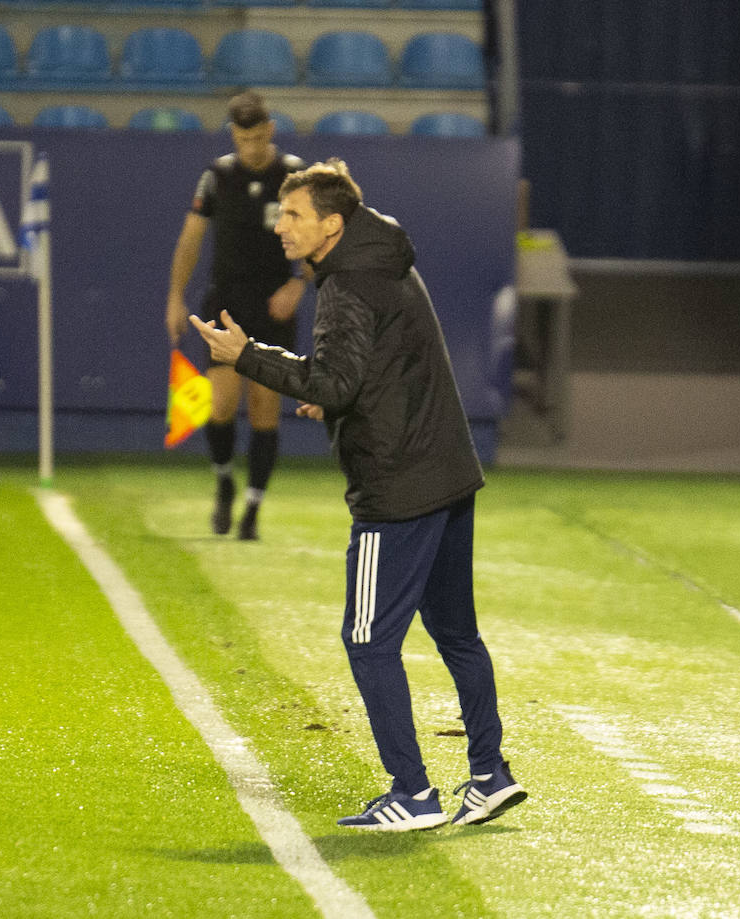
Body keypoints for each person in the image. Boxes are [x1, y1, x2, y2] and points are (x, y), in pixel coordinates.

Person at [190, 159, 526, 831]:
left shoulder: (345, 284)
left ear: (330, 225)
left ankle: (414, 792)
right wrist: (336, 396)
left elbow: (335, 384)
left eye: (293, 216)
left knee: (368, 639)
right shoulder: (384, 258)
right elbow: (375, 370)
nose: (279, 226)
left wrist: (245, 355)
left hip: (397, 484)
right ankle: (489, 774)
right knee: (457, 633)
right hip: (448, 471)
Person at [165, 91, 306, 541]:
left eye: (258, 136)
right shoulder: (217, 177)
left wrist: (299, 282)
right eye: (243, 138)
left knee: (265, 410)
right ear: (234, 135)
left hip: (272, 308)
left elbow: (317, 235)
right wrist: (175, 296)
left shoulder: (293, 176)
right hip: (227, 305)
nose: (251, 146)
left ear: (270, 130)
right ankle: (225, 478)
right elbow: (191, 238)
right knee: (221, 403)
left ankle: (253, 508)